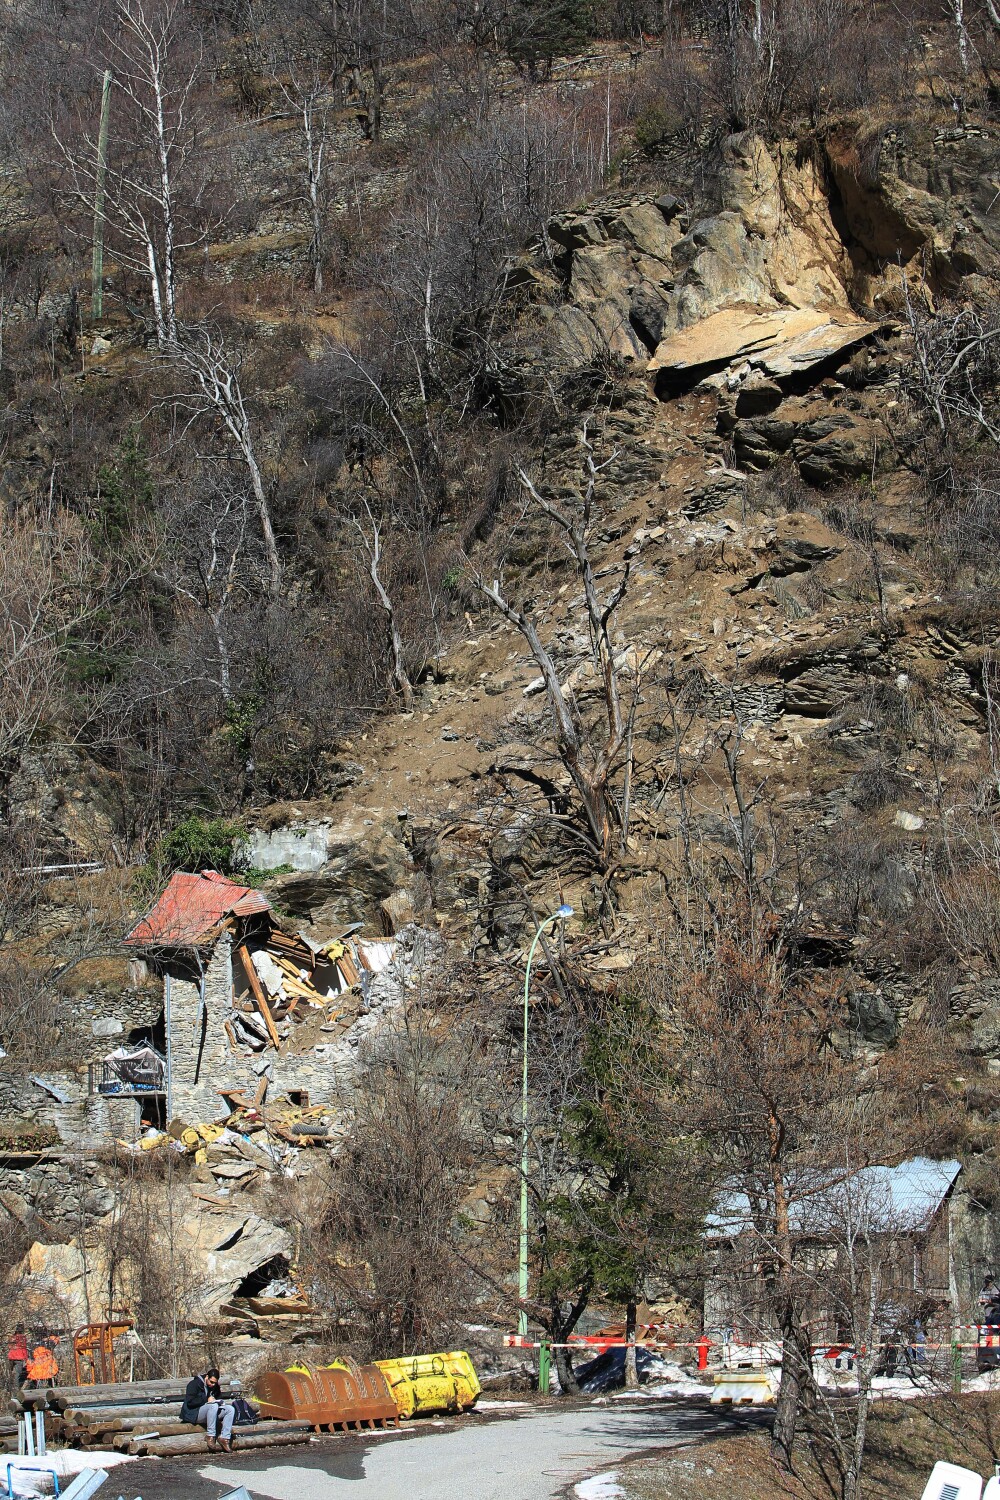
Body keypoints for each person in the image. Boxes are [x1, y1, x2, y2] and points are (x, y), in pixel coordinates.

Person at [180, 1367, 236, 1451]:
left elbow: (218, 1397)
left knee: (230, 1409)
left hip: (210, 1412)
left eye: (215, 1383)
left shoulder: (215, 1386)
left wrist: (218, 1401)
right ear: (206, 1377)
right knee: (213, 1406)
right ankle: (211, 1436)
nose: (212, 1384)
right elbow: (190, 1402)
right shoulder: (194, 1384)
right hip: (193, 1413)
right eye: (211, 1382)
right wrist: (206, 1400)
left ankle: (225, 1437)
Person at [6, 1326, 27, 1390]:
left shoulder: (11, 1337)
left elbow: (9, 1347)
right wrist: (26, 1358)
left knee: (9, 1373)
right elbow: (24, 1349)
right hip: (19, 1358)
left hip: (11, 1357)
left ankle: (8, 1388)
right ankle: (16, 1390)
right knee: (17, 1375)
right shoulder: (23, 1338)